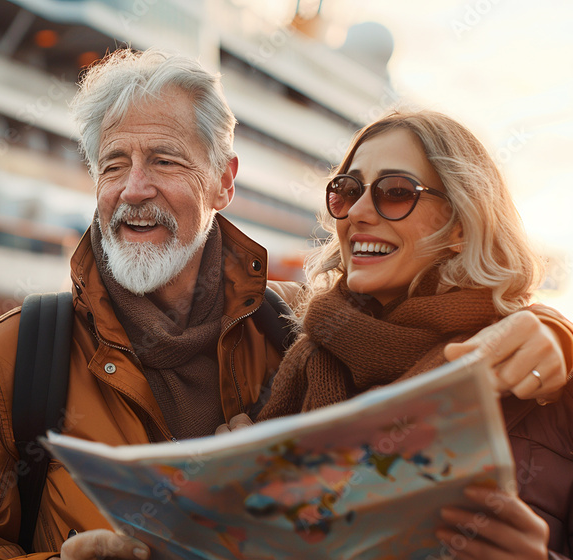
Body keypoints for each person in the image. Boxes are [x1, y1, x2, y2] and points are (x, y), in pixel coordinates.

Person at [0, 50, 573, 560]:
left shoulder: (295, 330)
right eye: (112, 164)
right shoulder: (9, 357)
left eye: (165, 160)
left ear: (223, 181)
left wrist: (547, 326)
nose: (134, 189)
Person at [239, 111, 572, 559]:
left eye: (395, 192)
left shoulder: (546, 371)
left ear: (460, 224)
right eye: (348, 191)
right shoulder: (302, 360)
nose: (357, 212)